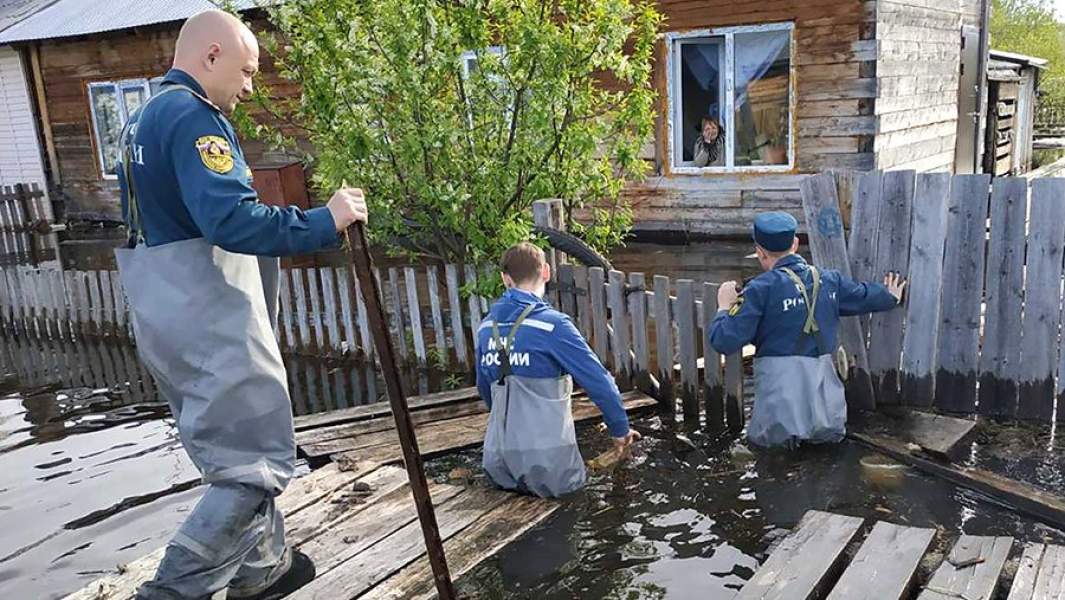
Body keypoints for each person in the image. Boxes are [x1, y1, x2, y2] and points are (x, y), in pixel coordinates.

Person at [114, 10, 367, 600]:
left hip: (164, 307)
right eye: (246, 70)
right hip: (208, 310)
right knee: (254, 462)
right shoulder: (194, 117)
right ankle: (170, 592)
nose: (250, 87)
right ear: (210, 56)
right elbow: (230, 220)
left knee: (230, 448)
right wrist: (324, 220)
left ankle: (264, 570)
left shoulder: (143, 116)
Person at [708, 212, 906, 449]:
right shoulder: (830, 280)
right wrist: (889, 296)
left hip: (780, 402)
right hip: (824, 401)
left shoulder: (760, 289)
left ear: (759, 252)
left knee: (774, 461)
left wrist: (723, 306)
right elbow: (862, 296)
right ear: (795, 244)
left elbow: (723, 340)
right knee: (825, 455)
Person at [475, 242, 641, 497]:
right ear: (546, 272)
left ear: (505, 279)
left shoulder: (486, 328)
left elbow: (484, 389)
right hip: (548, 464)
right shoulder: (553, 326)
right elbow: (600, 383)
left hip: (497, 458)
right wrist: (620, 430)